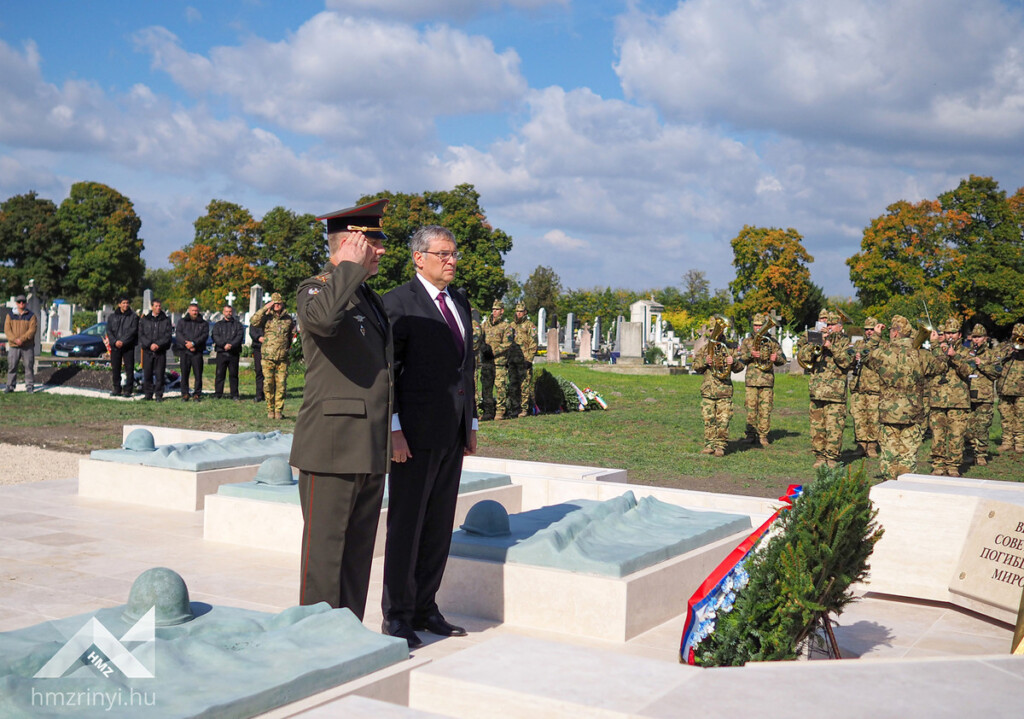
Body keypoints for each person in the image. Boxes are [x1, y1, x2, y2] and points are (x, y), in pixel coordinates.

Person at [290, 198, 392, 621]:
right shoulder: (316, 289)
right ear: (352, 243)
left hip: (369, 444)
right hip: (331, 446)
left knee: (357, 555)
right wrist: (347, 266)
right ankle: (314, 639)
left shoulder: (367, 296)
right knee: (325, 557)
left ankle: (348, 634)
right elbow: (322, 321)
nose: (382, 250)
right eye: (374, 242)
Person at [381, 225, 477, 649]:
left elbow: (465, 368)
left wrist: (470, 423)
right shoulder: (397, 303)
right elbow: (388, 374)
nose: (451, 261)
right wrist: (394, 429)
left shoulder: (459, 301)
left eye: (454, 254)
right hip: (413, 435)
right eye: (443, 254)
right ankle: (397, 615)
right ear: (419, 258)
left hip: (451, 431)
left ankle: (425, 606)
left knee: (438, 525)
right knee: (407, 525)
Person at [865, 315, 941, 480]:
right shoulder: (922, 355)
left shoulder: (882, 353)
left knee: (889, 455)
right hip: (912, 412)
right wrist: (935, 344)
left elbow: (864, 356)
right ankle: (905, 486)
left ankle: (889, 485)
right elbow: (941, 366)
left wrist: (875, 337)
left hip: (888, 413)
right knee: (908, 456)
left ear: (894, 333)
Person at [796, 310, 852, 468]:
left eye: (833, 325)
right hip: (817, 391)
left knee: (834, 428)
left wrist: (830, 346)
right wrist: (816, 343)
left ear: (840, 326)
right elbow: (803, 358)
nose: (829, 327)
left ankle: (832, 458)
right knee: (817, 428)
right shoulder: (817, 338)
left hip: (835, 394)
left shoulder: (845, 342)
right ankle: (820, 457)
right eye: (828, 324)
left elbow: (846, 362)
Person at [926, 318, 972, 476]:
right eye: (947, 333)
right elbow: (931, 368)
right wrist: (936, 348)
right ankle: (938, 464)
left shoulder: (966, 352)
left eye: (953, 332)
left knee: (956, 435)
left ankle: (953, 465)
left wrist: (955, 357)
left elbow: (968, 372)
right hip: (938, 400)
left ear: (959, 334)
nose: (950, 335)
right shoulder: (936, 350)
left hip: (958, 401)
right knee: (937, 435)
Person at [737, 312, 786, 447]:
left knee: (765, 409)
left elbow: (783, 360)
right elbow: (740, 359)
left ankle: (763, 436)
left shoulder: (772, 341)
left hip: (767, 380)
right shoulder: (747, 341)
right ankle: (750, 435)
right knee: (751, 409)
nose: (758, 328)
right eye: (756, 325)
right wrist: (750, 354)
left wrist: (776, 358)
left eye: (760, 326)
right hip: (751, 381)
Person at [692, 331, 744, 456]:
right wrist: (705, 362)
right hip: (708, 390)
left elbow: (741, 367)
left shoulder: (730, 349)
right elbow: (695, 366)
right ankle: (709, 445)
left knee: (723, 420)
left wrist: (734, 362)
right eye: (713, 331)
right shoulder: (705, 349)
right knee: (708, 419)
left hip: (724, 391)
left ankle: (720, 446)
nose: (715, 333)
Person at [249, 293, 295, 419]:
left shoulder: (288, 319)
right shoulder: (266, 317)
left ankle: (278, 410)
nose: (277, 305)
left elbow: (290, 336)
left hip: (282, 358)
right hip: (268, 357)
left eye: (279, 303)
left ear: (282, 303)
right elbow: (253, 321)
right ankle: (270, 409)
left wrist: (287, 350)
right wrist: (265, 308)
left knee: (281, 385)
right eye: (274, 303)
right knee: (268, 384)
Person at [965, 324, 999, 466]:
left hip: (984, 397)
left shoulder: (992, 355)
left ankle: (981, 454)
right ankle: (969, 452)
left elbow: (996, 373)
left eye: (979, 337)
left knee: (982, 427)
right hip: (967, 396)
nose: (976, 340)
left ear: (985, 338)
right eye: (974, 337)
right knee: (967, 427)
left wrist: (981, 364)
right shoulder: (967, 353)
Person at [849, 316, 884, 457]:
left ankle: (872, 446)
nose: (869, 332)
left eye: (871, 329)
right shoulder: (859, 344)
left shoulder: (883, 345)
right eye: (867, 329)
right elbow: (848, 361)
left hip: (875, 388)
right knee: (858, 418)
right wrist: (854, 358)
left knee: (874, 418)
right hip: (858, 387)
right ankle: (861, 445)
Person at [479, 300, 513, 420]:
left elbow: (507, 343)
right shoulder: (485, 325)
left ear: (502, 311)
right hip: (487, 362)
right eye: (493, 309)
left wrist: (493, 352)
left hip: (499, 362)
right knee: (486, 387)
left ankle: (500, 411)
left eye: (497, 309)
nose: (494, 312)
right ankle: (488, 411)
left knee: (500, 387)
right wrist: (483, 348)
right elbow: (479, 337)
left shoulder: (506, 327)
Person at [995, 323, 1024, 454]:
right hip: (1005, 388)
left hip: (1022, 390)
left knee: (1021, 417)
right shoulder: (1004, 347)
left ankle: (1020, 443)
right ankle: (1007, 442)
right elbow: (995, 359)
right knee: (1006, 417)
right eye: (1015, 335)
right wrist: (1009, 351)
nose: (1017, 338)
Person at [138, 299, 172, 401]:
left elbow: (167, 335)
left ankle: (158, 395)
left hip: (160, 351)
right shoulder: (145, 320)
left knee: (160, 374)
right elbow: (141, 334)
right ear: (152, 307)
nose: (158, 308)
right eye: (156, 306)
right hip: (148, 351)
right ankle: (148, 394)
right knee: (147, 374)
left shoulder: (166, 320)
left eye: (159, 306)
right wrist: (150, 344)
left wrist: (158, 344)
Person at [508, 302, 538, 417]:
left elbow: (534, 342)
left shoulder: (530, 325)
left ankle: (524, 409)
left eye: (521, 311)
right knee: (513, 384)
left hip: (524, 360)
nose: (519, 314)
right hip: (512, 360)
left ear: (525, 312)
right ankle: (515, 408)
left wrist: (529, 359)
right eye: (517, 311)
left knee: (524, 385)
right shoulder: (511, 325)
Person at [175, 302, 209, 402]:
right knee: (184, 374)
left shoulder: (203, 323)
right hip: (185, 351)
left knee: (198, 374)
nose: (195, 312)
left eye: (196, 311)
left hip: (197, 352)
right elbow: (179, 334)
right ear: (189, 311)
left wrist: (194, 344)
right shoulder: (182, 322)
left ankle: (197, 394)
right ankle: (185, 394)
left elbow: (204, 336)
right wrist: (187, 344)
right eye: (193, 310)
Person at [106, 296, 139, 397]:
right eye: (123, 303)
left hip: (128, 346)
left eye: (127, 303)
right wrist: (115, 341)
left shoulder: (133, 317)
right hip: (115, 346)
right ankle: (117, 389)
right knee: (116, 368)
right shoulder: (112, 317)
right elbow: (109, 331)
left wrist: (123, 341)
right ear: (119, 304)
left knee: (129, 368)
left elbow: (133, 331)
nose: (126, 305)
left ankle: (128, 390)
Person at [4, 295, 37, 393]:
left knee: (28, 366)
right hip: (14, 346)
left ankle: (29, 386)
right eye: (19, 302)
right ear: (16, 303)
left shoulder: (31, 316)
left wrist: (22, 339)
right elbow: (7, 330)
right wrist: (15, 340)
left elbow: (32, 330)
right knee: (12, 366)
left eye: (23, 301)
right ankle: (10, 386)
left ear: (26, 303)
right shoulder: (10, 315)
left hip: (27, 346)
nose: (21, 303)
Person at [212, 304, 244, 400]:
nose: (228, 313)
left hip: (234, 353)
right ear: (223, 312)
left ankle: (234, 394)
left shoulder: (238, 325)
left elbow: (239, 336)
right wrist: (223, 345)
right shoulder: (218, 325)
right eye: (226, 311)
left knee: (233, 375)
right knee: (219, 374)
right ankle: (218, 394)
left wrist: (231, 345)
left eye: (230, 311)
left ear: (232, 312)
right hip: (221, 352)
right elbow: (215, 336)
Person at [249, 321, 266, 403]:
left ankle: (268, 394)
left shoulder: (272, 319)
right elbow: (252, 331)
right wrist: (258, 337)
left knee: (269, 372)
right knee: (259, 371)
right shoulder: (256, 319)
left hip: (270, 349)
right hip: (258, 348)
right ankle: (259, 394)